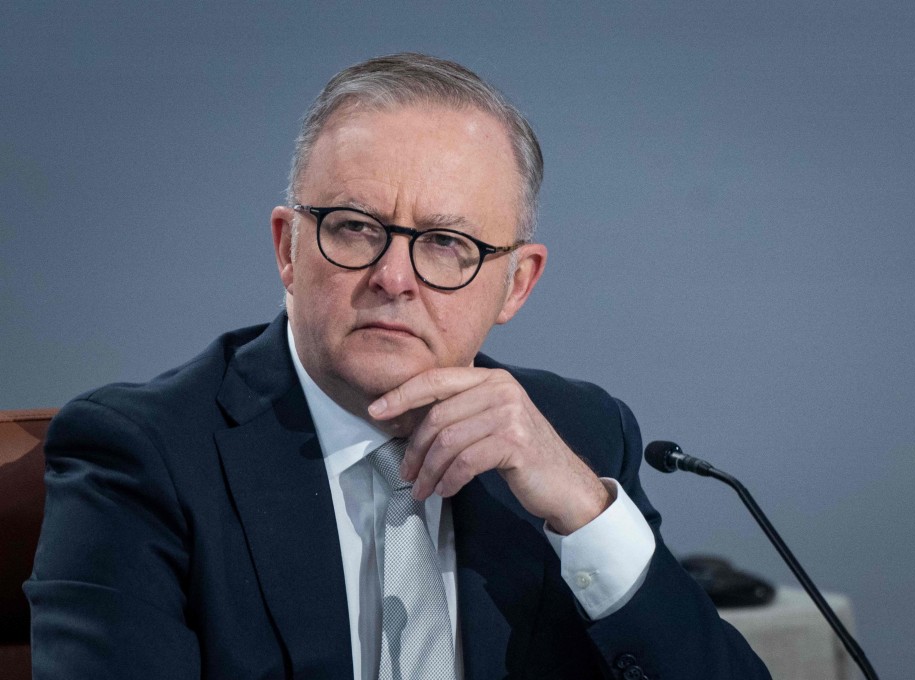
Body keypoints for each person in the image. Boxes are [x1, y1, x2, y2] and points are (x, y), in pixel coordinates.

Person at [26, 53, 769, 679]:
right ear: (288, 249)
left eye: (447, 243)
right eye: (355, 228)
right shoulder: (143, 454)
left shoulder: (581, 434)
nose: (394, 276)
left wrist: (586, 512)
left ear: (517, 283)